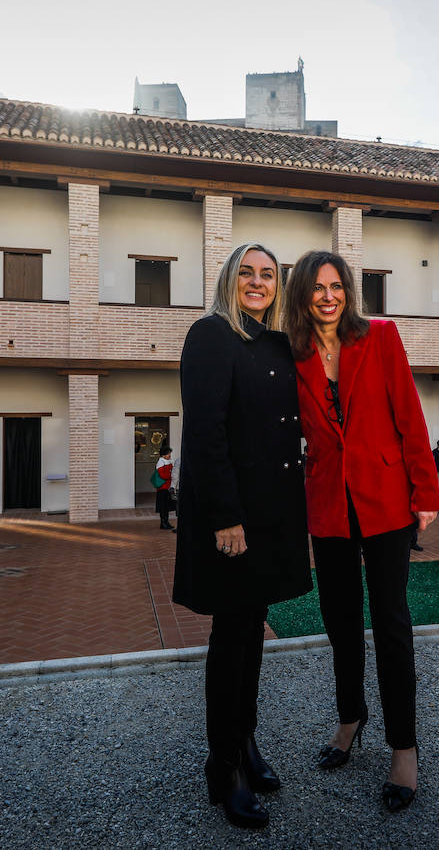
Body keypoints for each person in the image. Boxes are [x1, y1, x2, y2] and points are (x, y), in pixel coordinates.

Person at [286, 250, 439, 813]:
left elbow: (409, 414)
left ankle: (404, 747)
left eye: (337, 286)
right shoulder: (292, 354)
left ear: (348, 292)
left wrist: (426, 491)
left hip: (384, 502)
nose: (328, 296)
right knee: (340, 623)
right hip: (328, 505)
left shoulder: (381, 337)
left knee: (392, 625)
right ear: (302, 294)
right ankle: (350, 718)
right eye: (317, 287)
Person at [172, 242, 312, 830]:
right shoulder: (209, 335)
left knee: (252, 638)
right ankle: (222, 768)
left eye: (268, 275)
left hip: (273, 516)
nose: (257, 282)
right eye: (247, 273)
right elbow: (204, 435)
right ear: (230, 279)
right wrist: (226, 517)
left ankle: (247, 744)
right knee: (229, 643)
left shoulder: (275, 342)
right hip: (232, 522)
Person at [155, 446, 176, 531]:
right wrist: (170, 473)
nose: (169, 455)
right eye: (168, 453)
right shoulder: (161, 462)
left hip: (167, 487)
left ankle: (166, 522)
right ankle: (163, 523)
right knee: (163, 506)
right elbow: (163, 475)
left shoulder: (168, 461)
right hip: (162, 488)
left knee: (166, 506)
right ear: (164, 454)